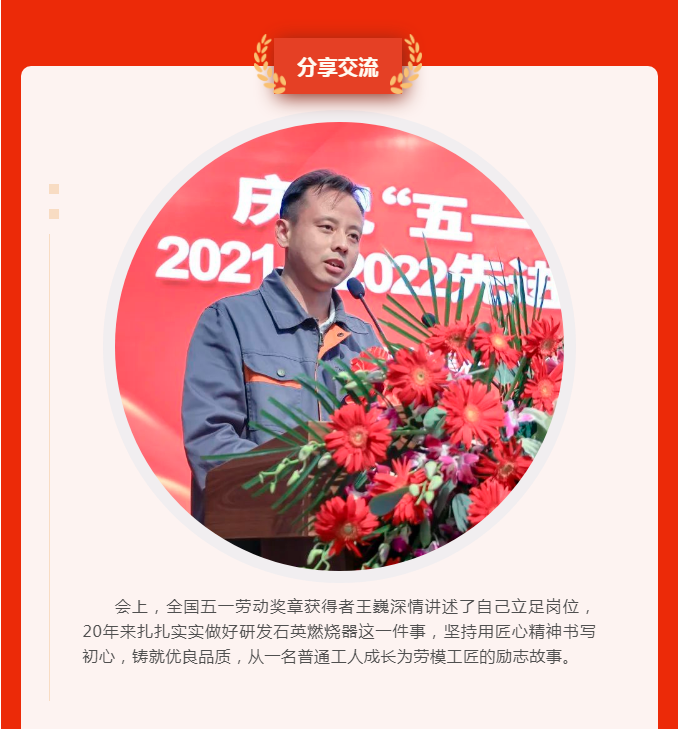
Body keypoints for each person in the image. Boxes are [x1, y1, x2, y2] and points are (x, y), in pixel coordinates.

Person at [182, 169, 382, 525]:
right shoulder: (229, 321)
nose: (342, 244)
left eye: (354, 235)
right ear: (283, 232)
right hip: (255, 538)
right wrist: (309, 486)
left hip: (347, 540)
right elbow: (211, 444)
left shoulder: (365, 340)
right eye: (327, 227)